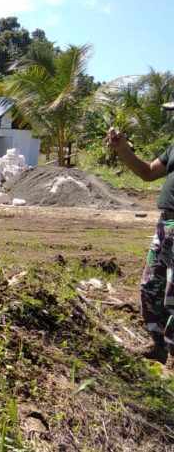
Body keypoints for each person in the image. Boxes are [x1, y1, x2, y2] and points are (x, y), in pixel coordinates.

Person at [108, 103, 174, 365]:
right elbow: (147, 173)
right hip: (165, 226)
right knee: (152, 286)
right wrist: (122, 149)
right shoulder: (173, 147)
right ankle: (158, 346)